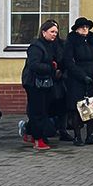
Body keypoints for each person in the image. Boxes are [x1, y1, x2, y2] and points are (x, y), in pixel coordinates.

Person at [21, 20, 65, 151]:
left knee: (47, 109)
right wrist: (51, 67)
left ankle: (29, 132)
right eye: (52, 32)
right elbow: (34, 65)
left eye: (56, 32)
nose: (54, 35)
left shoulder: (52, 45)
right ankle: (38, 139)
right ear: (43, 32)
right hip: (34, 83)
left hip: (47, 83)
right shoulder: (36, 47)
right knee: (38, 111)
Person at [64, 17, 93, 146]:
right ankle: (77, 136)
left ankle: (90, 135)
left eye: (87, 27)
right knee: (78, 107)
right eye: (82, 27)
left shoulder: (92, 38)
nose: (85, 29)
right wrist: (82, 76)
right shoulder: (72, 39)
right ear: (77, 29)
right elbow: (69, 61)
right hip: (77, 77)